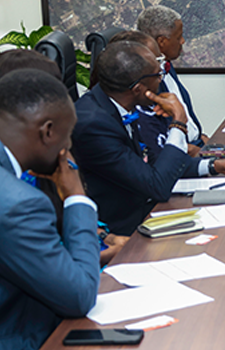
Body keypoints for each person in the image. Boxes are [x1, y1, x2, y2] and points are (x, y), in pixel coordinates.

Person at [71, 41, 225, 236]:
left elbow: (156, 165)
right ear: (138, 89)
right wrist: (178, 123)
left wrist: (218, 165)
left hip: (148, 211)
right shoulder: (94, 124)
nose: (162, 79)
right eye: (158, 75)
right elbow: (156, 185)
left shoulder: (116, 104)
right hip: (125, 231)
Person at [0, 69, 99, 350]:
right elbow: (78, 296)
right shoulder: (18, 203)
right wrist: (77, 197)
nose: (67, 148)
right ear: (48, 132)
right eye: (68, 137)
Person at [0, 49, 129, 266]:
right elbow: (51, 268)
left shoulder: (46, 153)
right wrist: (109, 255)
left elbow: (65, 215)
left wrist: (105, 237)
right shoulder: (15, 184)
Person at [137, 5, 208, 154]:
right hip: (181, 155)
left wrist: (203, 139)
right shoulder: (147, 82)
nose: (182, 41)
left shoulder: (167, 65)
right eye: (178, 36)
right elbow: (160, 140)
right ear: (162, 41)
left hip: (197, 145)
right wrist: (202, 155)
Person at [109, 30, 176, 164]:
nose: (161, 71)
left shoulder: (149, 104)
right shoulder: (132, 116)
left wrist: (212, 165)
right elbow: (161, 168)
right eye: (156, 62)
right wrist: (179, 122)